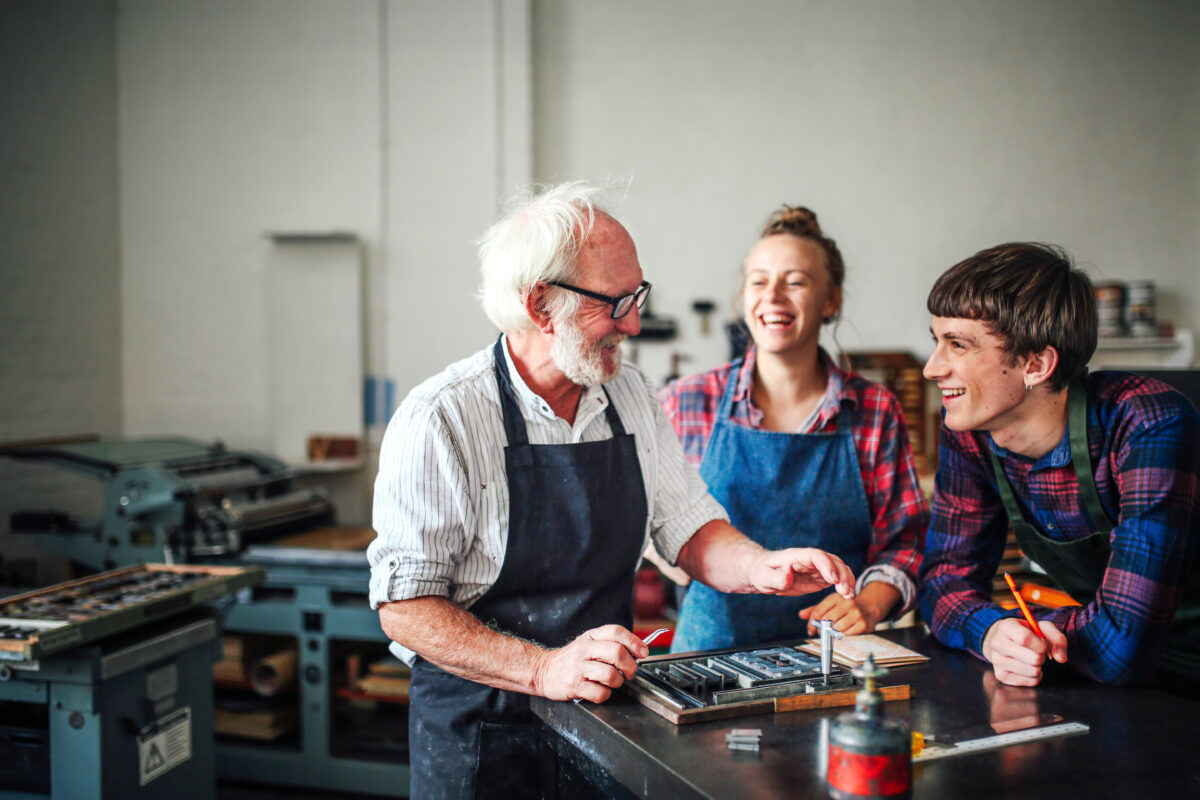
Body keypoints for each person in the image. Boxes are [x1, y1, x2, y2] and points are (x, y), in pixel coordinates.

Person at [367, 182, 856, 799]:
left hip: (603, 722)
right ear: (540, 304)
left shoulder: (628, 396)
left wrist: (763, 567)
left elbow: (689, 527)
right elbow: (406, 608)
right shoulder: (442, 419)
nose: (634, 322)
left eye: (637, 295)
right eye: (615, 302)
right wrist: (545, 668)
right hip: (480, 737)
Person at [919, 242, 1200, 691]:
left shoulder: (1149, 423)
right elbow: (940, 583)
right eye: (936, 341)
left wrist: (1028, 632)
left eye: (958, 346)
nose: (932, 368)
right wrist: (993, 634)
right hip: (1098, 671)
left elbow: (1123, 647)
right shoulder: (967, 430)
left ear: (1036, 365)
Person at [659, 205, 928, 652]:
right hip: (706, 664)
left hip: (833, 658)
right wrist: (682, 556)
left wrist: (871, 603)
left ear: (831, 300)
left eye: (796, 281)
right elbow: (648, 522)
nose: (774, 296)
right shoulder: (687, 402)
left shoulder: (874, 410)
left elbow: (907, 543)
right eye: (759, 281)